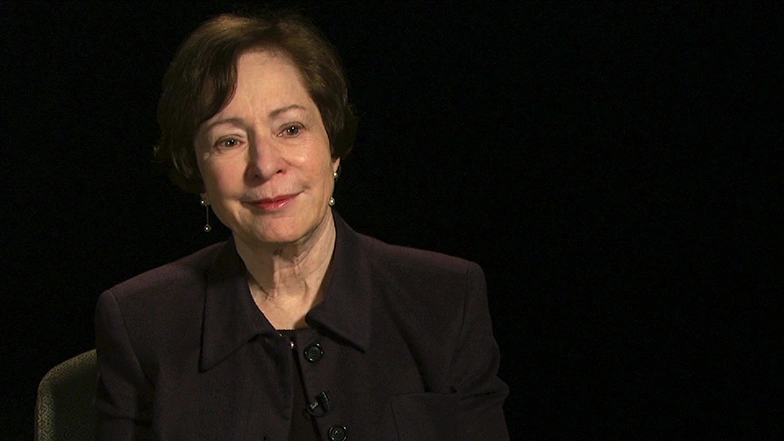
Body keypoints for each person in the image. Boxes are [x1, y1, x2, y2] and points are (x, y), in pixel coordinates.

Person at [94, 10, 509, 441]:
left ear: (333, 148)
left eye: (290, 128)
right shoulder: (139, 321)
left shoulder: (445, 300)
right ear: (198, 172)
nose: (265, 165)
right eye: (229, 141)